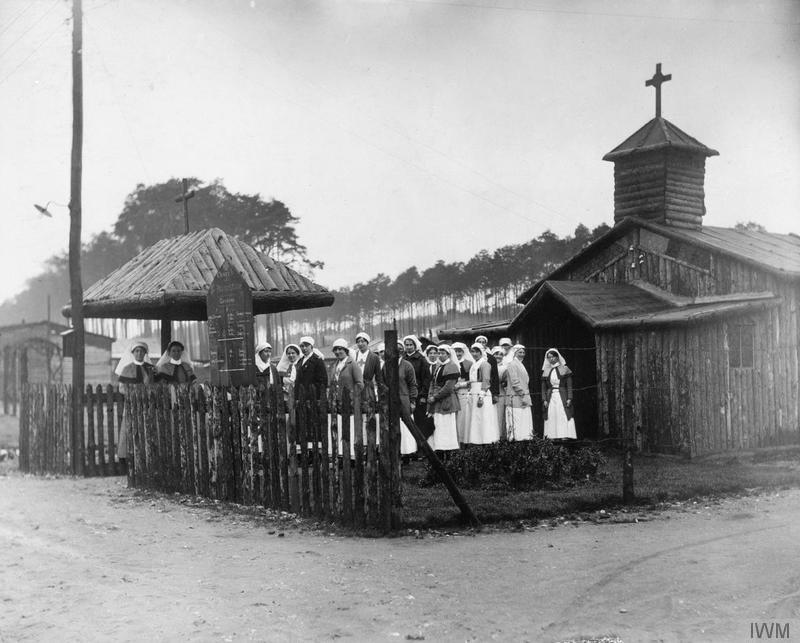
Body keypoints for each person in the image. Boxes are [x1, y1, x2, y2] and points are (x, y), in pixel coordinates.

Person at [115, 340, 155, 472]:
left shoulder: (150, 368)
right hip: (132, 404)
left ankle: (146, 461)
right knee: (129, 430)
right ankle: (126, 460)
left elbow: (155, 386)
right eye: (137, 351)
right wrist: (134, 393)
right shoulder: (127, 368)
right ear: (133, 353)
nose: (139, 353)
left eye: (142, 351)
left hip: (147, 405)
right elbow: (121, 388)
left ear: (145, 353)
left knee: (147, 429)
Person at [328, 338, 364, 457]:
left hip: (350, 402)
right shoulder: (334, 365)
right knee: (339, 427)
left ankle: (352, 455)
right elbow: (332, 382)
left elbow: (359, 383)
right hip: (337, 402)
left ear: (346, 350)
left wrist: (352, 396)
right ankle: (341, 453)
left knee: (350, 427)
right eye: (335, 350)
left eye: (340, 349)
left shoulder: (352, 364)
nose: (338, 352)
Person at [426, 344, 461, 454]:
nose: (440, 355)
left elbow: (448, 387)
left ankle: (448, 450)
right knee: (439, 426)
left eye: (442, 353)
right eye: (438, 353)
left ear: (448, 354)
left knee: (446, 426)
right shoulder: (438, 366)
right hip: (437, 401)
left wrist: (435, 397)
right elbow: (433, 383)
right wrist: (430, 396)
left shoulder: (452, 366)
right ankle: (439, 449)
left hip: (447, 401)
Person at [464, 343, 500, 445]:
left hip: (481, 393)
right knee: (476, 419)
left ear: (481, 352)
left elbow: (486, 380)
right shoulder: (474, 364)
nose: (474, 354)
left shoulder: (484, 364)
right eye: (473, 351)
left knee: (483, 418)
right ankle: (477, 441)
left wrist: (481, 396)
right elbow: (472, 380)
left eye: (477, 352)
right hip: (473, 392)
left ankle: (485, 441)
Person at [542, 347, 577, 440]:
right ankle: (552, 436)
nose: (551, 359)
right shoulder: (546, 371)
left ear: (557, 357)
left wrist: (569, 398)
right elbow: (543, 387)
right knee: (551, 414)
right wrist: (544, 399)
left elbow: (569, 385)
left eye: (553, 357)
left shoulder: (565, 369)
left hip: (562, 395)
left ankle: (564, 435)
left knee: (562, 414)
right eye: (549, 357)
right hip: (551, 395)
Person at [402, 334, 432, 440]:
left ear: (415, 346)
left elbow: (426, 379)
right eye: (407, 345)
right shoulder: (402, 359)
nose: (409, 347)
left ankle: (421, 446)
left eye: (411, 345)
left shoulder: (422, 360)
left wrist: (423, 395)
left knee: (419, 421)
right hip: (405, 394)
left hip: (418, 394)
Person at [504, 344, 534, 441]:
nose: (522, 354)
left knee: (523, 421)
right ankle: (516, 442)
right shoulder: (512, 364)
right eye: (520, 352)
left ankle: (524, 440)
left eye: (523, 352)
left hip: (523, 397)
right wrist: (522, 395)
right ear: (515, 353)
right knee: (516, 421)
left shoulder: (520, 364)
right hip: (516, 397)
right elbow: (515, 382)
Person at [353, 331, 383, 412]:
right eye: (358, 342)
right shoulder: (354, 355)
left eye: (362, 341)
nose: (360, 344)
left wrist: (380, 390)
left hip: (368, 387)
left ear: (367, 342)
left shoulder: (374, 357)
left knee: (369, 410)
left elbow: (378, 376)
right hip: (356, 387)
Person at [295, 336, 328, 406]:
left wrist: (316, 396)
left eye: (307, 346)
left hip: (313, 398)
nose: (304, 348)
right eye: (302, 346)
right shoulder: (300, 361)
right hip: (301, 398)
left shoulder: (317, 361)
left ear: (311, 346)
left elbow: (323, 381)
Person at [451, 341, 473, 445]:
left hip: (463, 392)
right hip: (451, 392)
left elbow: (472, 381)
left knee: (462, 416)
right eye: (455, 351)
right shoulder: (449, 363)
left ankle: (462, 439)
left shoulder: (468, 363)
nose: (458, 354)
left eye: (460, 351)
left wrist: (460, 385)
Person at [475, 335, 500, 404]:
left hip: (488, 387)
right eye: (479, 342)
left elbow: (495, 375)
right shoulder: (472, 357)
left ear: (486, 344)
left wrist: (495, 393)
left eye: (483, 342)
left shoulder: (491, 358)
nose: (481, 344)